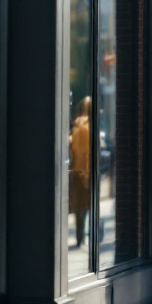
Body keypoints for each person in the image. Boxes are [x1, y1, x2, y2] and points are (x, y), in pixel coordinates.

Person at [69, 97, 92, 248]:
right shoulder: (88, 127)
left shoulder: (75, 127)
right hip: (86, 172)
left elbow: (74, 150)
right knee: (87, 206)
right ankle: (83, 238)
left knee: (78, 208)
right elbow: (86, 153)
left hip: (75, 172)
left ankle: (79, 238)